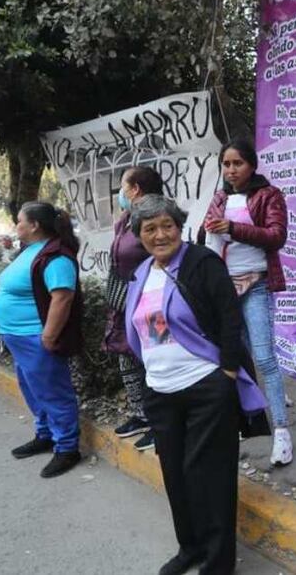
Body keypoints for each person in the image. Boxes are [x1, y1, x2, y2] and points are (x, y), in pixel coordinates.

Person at [126, 195, 270, 575]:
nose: (160, 235)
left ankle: (218, 562)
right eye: (150, 229)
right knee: (175, 473)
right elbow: (138, 330)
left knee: (210, 475)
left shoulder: (200, 262)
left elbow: (228, 317)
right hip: (160, 390)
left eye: (167, 226)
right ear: (139, 235)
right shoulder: (141, 273)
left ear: (179, 226)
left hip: (205, 387)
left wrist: (225, 372)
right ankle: (189, 548)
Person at [201, 139, 293, 466]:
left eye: (237, 163)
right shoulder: (219, 198)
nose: (231, 170)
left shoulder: (268, 195)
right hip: (225, 290)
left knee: (265, 357)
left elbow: (276, 236)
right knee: (237, 357)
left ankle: (282, 431)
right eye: (226, 164)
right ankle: (252, 422)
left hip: (256, 283)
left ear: (251, 165)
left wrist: (233, 228)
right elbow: (207, 240)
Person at [0, 202, 84, 479]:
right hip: (18, 338)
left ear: (34, 225)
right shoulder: (31, 251)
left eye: (19, 220)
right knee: (33, 390)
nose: (15, 225)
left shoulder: (56, 256)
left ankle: (67, 448)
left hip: (36, 338)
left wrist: (48, 337)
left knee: (54, 393)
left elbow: (63, 297)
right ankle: (45, 435)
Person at [103, 165, 165, 451]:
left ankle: (161, 423)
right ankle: (141, 415)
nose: (120, 192)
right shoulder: (126, 219)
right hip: (124, 301)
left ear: (136, 189)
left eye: (123, 186)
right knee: (126, 358)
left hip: (152, 302)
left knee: (154, 359)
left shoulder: (156, 217)